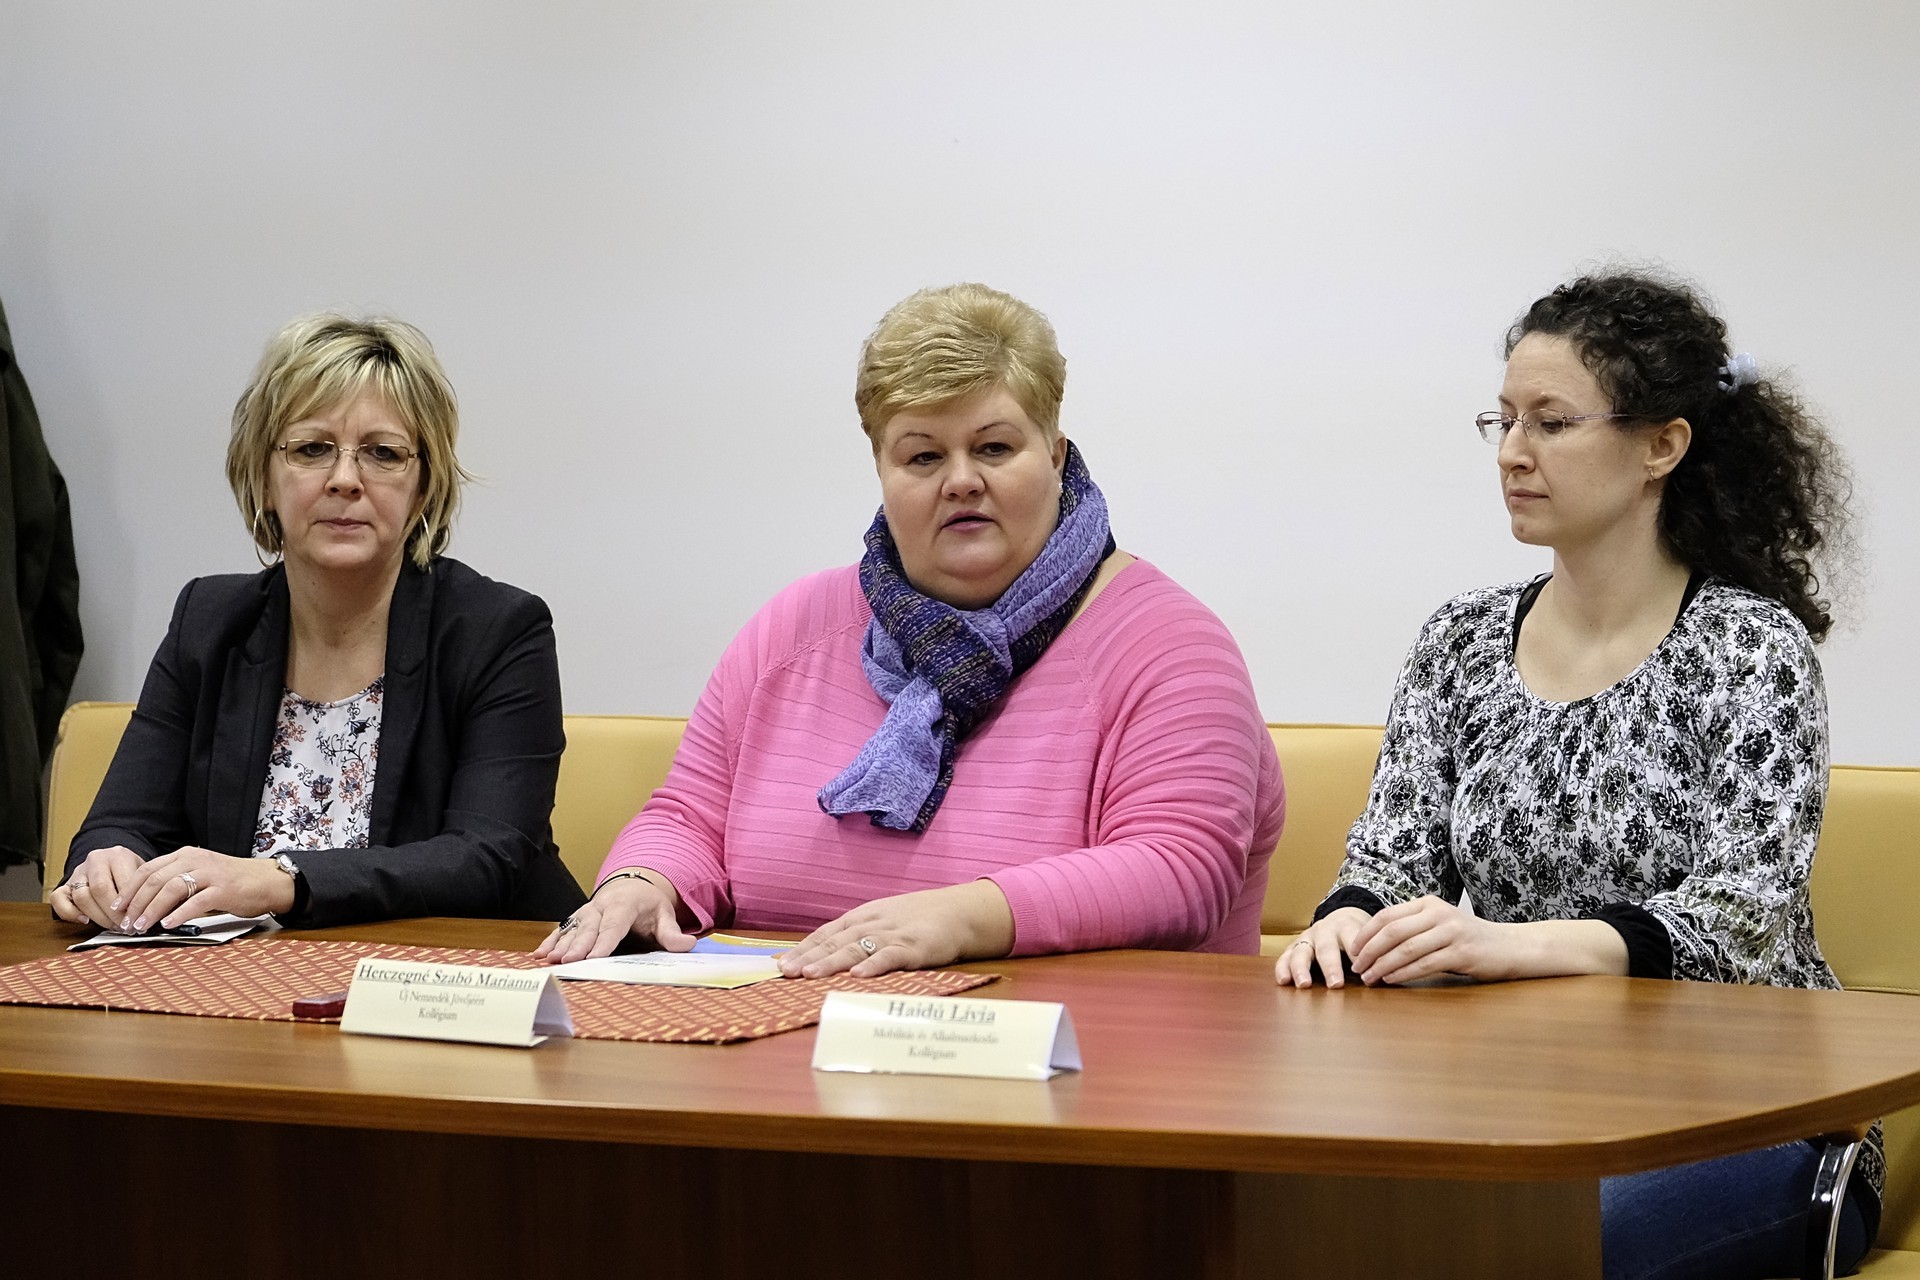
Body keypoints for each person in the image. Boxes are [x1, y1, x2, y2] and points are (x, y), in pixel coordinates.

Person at [1274, 272, 1872, 1278]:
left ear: (1661, 446)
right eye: (1503, 420)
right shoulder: (1459, 638)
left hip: (1754, 1121)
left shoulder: (1750, 647)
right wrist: (1348, 919)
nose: (1513, 452)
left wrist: (1506, 946)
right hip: (1528, 1102)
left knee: (1540, 1244)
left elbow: (1736, 919)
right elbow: (1389, 855)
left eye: (1551, 423)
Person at [537, 282, 1283, 977]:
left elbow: (1180, 868)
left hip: (1082, 1050)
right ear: (882, 472)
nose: (961, 480)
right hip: (783, 1039)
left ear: (1055, 456)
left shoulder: (1170, 644)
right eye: (924, 456)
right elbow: (689, 817)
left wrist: (962, 919)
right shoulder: (792, 628)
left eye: (994, 447)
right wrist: (644, 881)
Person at [53, 314, 583, 932]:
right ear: (263, 477)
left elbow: (486, 858)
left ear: (423, 488)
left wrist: (281, 881)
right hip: (248, 976)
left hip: (447, 973)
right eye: (311, 449)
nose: (345, 479)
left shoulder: (498, 631)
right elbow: (123, 822)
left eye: (383, 453)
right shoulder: (209, 620)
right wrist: (107, 864)